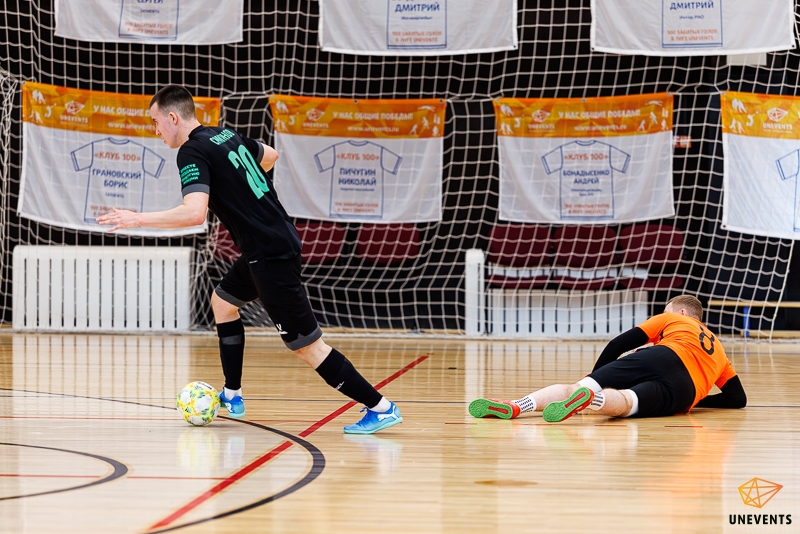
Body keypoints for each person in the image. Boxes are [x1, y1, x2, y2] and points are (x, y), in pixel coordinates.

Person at [97, 85, 402, 434]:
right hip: (272, 242)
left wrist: (137, 219)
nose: (155, 130)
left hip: (270, 254)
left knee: (307, 347)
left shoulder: (191, 151)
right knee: (223, 303)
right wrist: (242, 189)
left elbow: (194, 213)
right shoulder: (224, 135)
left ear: (172, 117)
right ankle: (232, 394)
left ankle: (381, 407)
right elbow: (270, 155)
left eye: (155, 122)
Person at [469, 295, 746, 422]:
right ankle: (594, 400)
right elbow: (737, 399)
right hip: (686, 391)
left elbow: (619, 343)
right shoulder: (720, 352)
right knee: (627, 403)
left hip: (665, 354)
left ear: (682, 313)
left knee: (577, 388)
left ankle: (519, 406)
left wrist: (595, 377)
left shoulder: (673, 319)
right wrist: (698, 400)